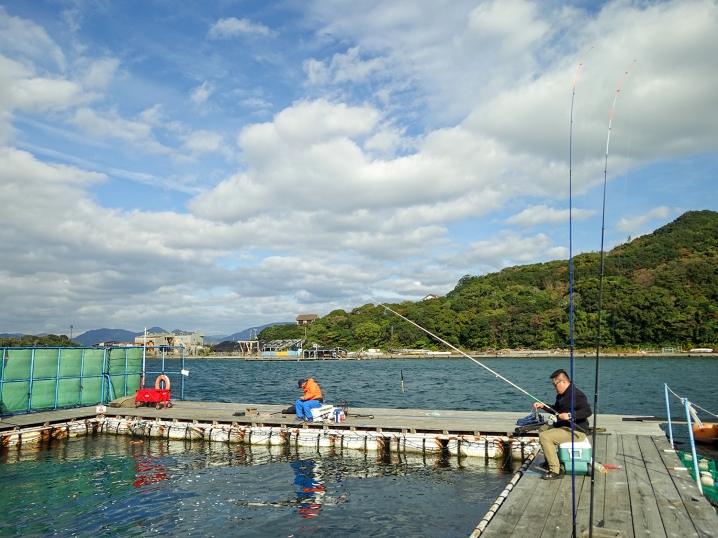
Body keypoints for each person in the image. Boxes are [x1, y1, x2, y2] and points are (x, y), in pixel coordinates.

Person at [532, 369, 592, 480]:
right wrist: (543, 406)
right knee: (543, 429)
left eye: (555, 385)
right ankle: (550, 460)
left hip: (576, 431)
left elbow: (587, 411)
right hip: (563, 426)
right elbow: (557, 411)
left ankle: (556, 470)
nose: (554, 387)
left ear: (563, 382)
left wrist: (570, 415)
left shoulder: (577, 395)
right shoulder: (561, 395)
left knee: (545, 437)